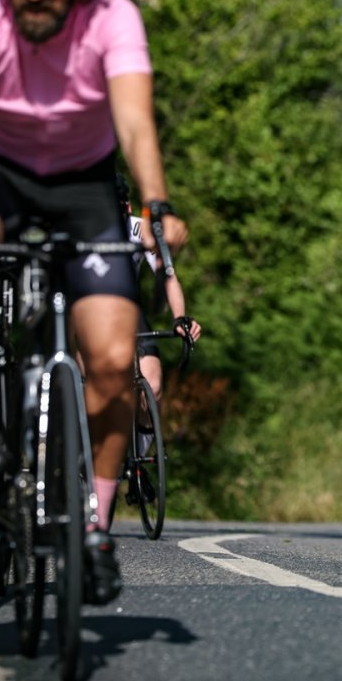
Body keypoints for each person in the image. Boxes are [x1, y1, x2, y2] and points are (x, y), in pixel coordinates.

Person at [0, 0, 188, 604]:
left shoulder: (115, 18)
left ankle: (97, 528)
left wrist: (158, 205)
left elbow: (135, 123)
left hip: (83, 181)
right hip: (0, 174)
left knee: (111, 361)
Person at [115, 173, 200, 504]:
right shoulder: (84, 226)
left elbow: (168, 275)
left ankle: (137, 468)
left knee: (152, 384)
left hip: (128, 310)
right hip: (89, 312)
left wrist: (180, 317)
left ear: (127, 206)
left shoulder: (138, 228)